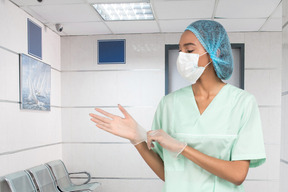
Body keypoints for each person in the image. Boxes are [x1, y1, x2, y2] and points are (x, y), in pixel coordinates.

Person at [89, 20, 266, 192]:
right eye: (180, 51)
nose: (182, 57)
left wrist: (183, 148)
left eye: (189, 50)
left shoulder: (243, 103)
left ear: (215, 52)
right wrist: (137, 139)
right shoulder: (169, 104)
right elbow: (168, 174)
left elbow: (237, 174)